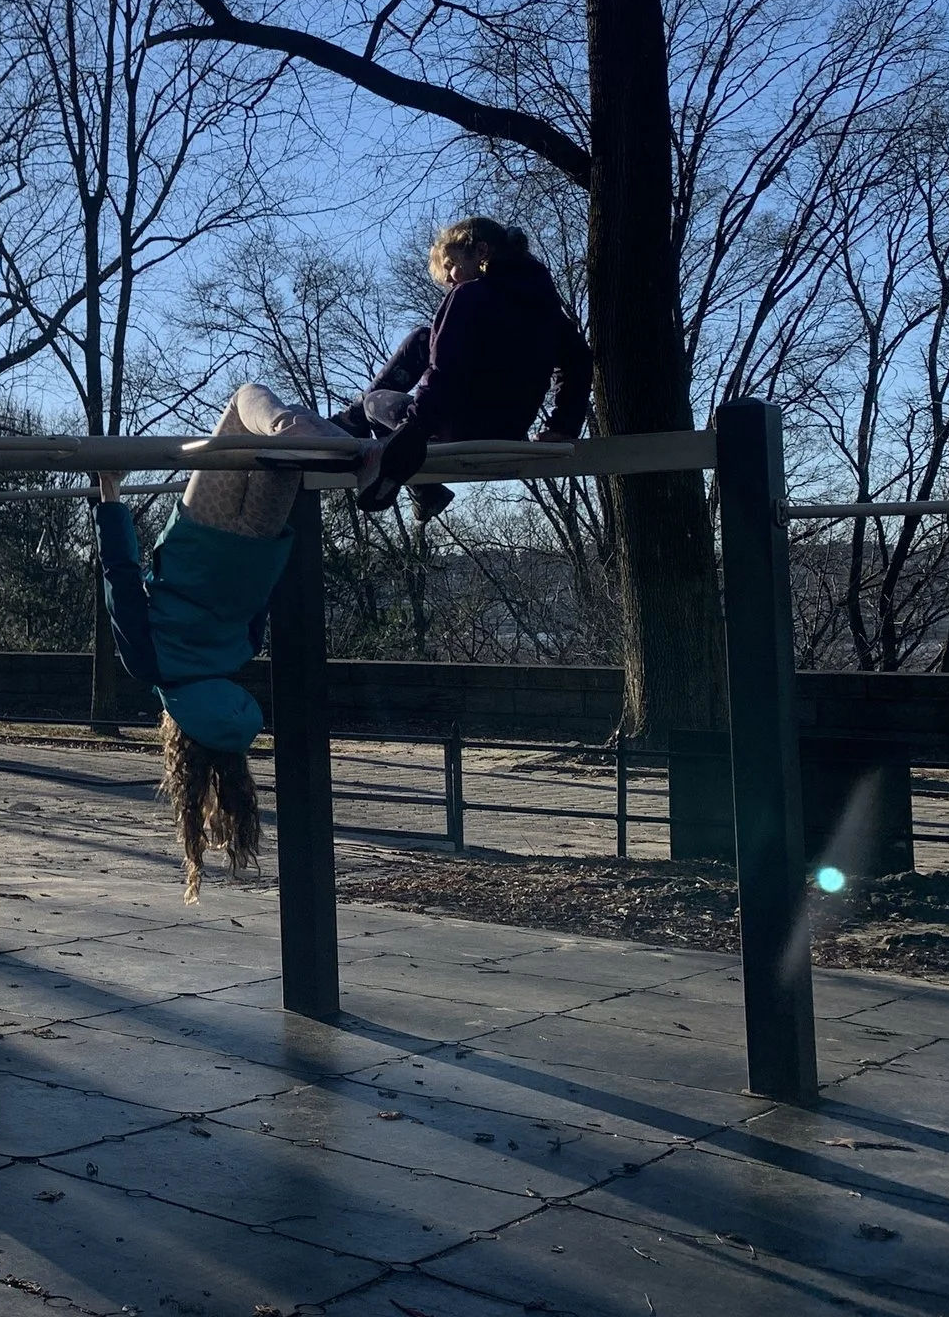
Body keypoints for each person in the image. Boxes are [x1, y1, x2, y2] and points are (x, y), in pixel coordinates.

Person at [96, 380, 347, 900]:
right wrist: (110, 495)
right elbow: (121, 577)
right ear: (177, 733)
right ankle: (293, 424)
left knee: (284, 452)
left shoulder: (237, 656)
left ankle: (321, 429)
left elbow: (259, 611)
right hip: (200, 534)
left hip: (257, 546)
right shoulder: (151, 666)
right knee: (242, 404)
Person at [343, 217, 591, 519]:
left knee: (374, 401)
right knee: (423, 338)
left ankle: (373, 436)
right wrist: (564, 426)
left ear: (481, 252)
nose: (449, 279)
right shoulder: (545, 309)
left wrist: (414, 429)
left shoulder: (469, 296)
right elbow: (578, 361)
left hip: (458, 430)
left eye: (450, 265)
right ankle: (360, 424)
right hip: (509, 431)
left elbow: (445, 371)